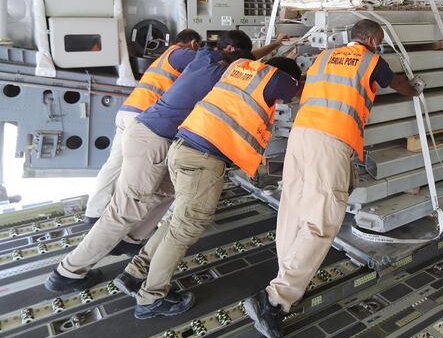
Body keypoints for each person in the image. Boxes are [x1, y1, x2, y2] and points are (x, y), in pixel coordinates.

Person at [44, 30, 285, 293]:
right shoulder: (219, 73)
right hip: (153, 140)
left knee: (170, 192)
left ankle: (131, 239)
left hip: (159, 138)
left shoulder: (205, 57)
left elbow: (246, 60)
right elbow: (253, 70)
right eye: (239, 57)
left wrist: (274, 45)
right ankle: (67, 271)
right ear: (230, 53)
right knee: (124, 211)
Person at [243, 19, 423, 338]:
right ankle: (274, 300)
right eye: (379, 41)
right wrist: (416, 87)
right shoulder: (370, 60)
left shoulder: (324, 57)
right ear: (369, 39)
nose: (379, 47)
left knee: (294, 208)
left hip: (301, 135)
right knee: (323, 220)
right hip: (332, 140)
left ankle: (286, 284)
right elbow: (397, 84)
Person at [112, 56, 302, 319]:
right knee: (185, 228)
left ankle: (135, 273)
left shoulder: (240, 68)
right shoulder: (275, 77)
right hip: (203, 160)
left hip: (182, 148)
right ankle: (151, 297)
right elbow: (299, 89)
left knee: (176, 222)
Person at [83, 29, 202, 225]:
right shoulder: (181, 54)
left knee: (114, 165)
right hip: (143, 117)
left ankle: (94, 211)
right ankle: (133, 219)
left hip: (127, 112)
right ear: (194, 44)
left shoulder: (164, 57)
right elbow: (208, 65)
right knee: (150, 172)